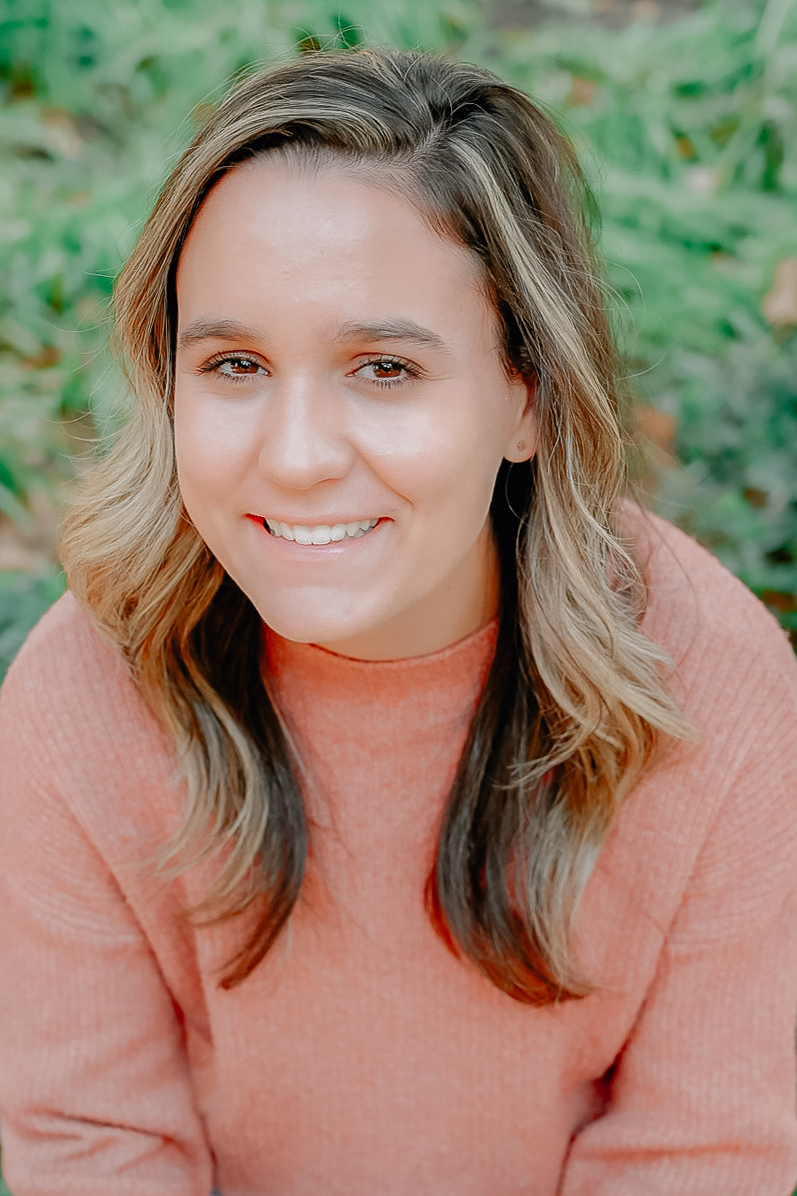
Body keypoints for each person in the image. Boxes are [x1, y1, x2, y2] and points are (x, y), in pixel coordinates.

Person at [1, 46, 796, 1196]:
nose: (296, 455)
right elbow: (93, 1144)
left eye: (381, 367)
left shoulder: (710, 686)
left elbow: (703, 1154)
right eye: (233, 363)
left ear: (523, 393)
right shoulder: (83, 689)